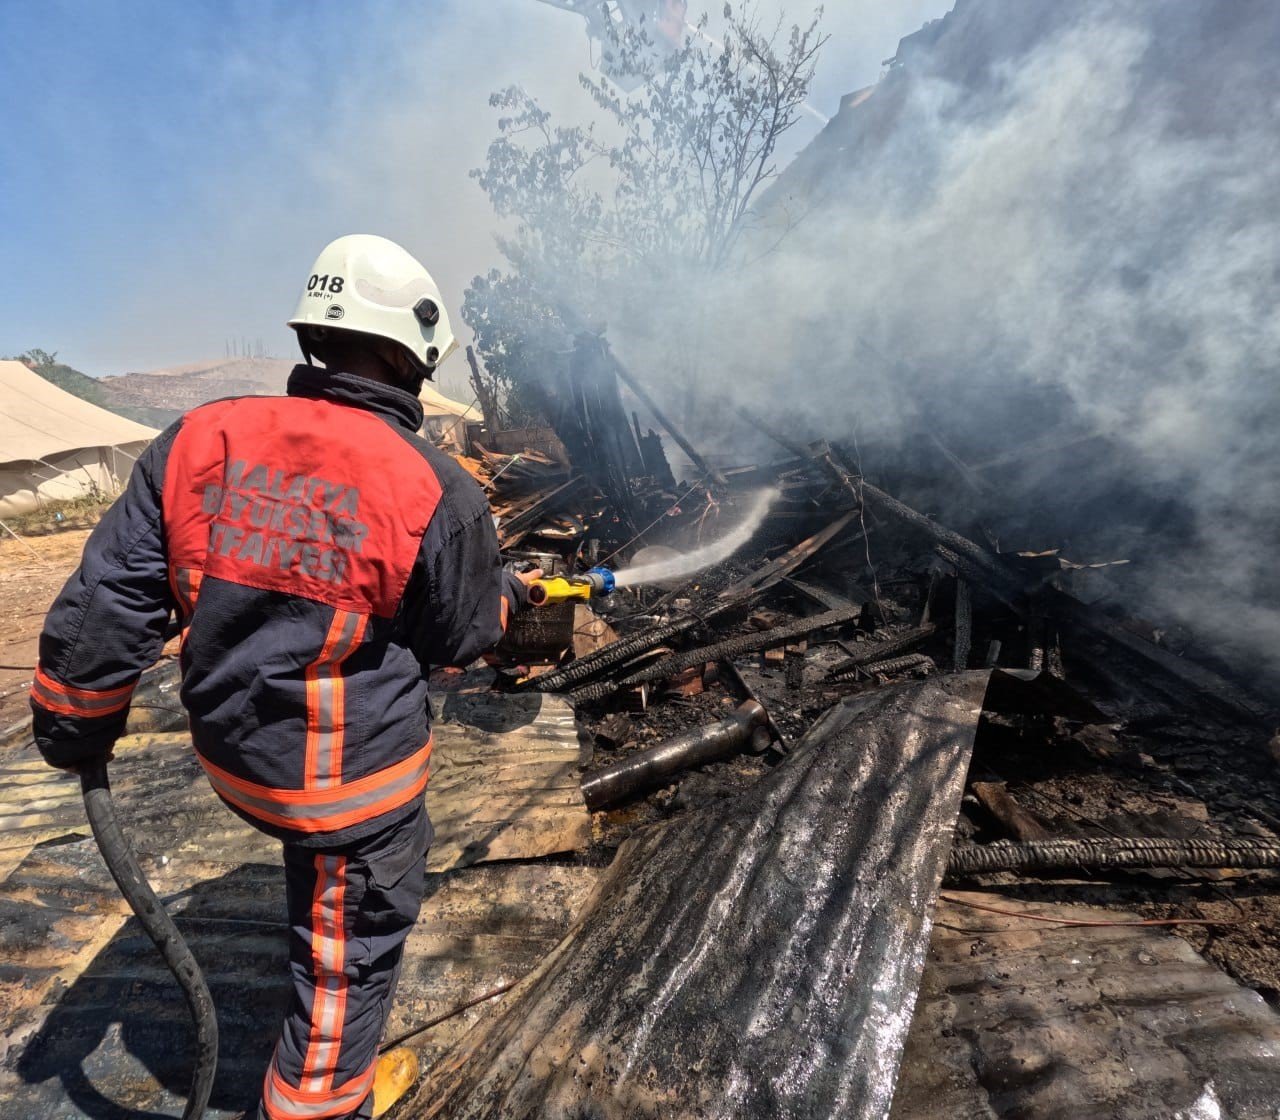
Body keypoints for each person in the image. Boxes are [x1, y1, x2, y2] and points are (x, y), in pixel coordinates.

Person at [30, 234, 538, 1119]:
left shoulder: (200, 438)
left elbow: (110, 596)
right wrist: (503, 596)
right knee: (348, 949)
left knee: (318, 867)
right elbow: (459, 640)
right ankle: (317, 1102)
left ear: (316, 337)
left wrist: (72, 723)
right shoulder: (434, 486)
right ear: (410, 356)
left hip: (232, 759)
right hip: (349, 788)